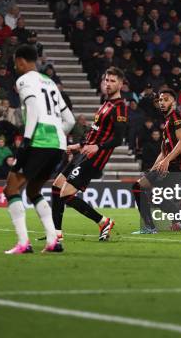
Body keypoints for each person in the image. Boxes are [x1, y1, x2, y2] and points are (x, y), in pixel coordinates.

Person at [3, 45, 75, 254]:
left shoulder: (24, 80)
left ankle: (23, 243)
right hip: (57, 144)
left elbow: (33, 107)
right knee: (34, 190)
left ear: (22, 61)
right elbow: (69, 119)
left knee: (11, 189)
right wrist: (57, 135)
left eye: (16, 62)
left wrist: (27, 140)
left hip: (38, 141)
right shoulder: (50, 82)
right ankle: (53, 241)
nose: (16, 66)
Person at [51, 67, 127, 242]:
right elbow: (95, 133)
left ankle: (103, 221)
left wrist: (98, 147)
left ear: (121, 84)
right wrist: (78, 145)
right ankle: (56, 234)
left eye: (113, 81)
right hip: (83, 154)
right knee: (56, 186)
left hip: (94, 159)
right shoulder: (106, 104)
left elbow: (118, 139)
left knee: (66, 194)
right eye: (106, 80)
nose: (108, 84)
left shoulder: (120, 108)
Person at [132, 89, 181, 234]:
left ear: (174, 102)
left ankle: (151, 227)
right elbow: (163, 151)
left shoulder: (177, 116)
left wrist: (167, 161)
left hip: (177, 165)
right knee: (152, 195)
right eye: (160, 100)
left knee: (137, 187)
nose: (162, 102)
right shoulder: (168, 121)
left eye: (165, 99)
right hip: (170, 164)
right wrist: (153, 169)